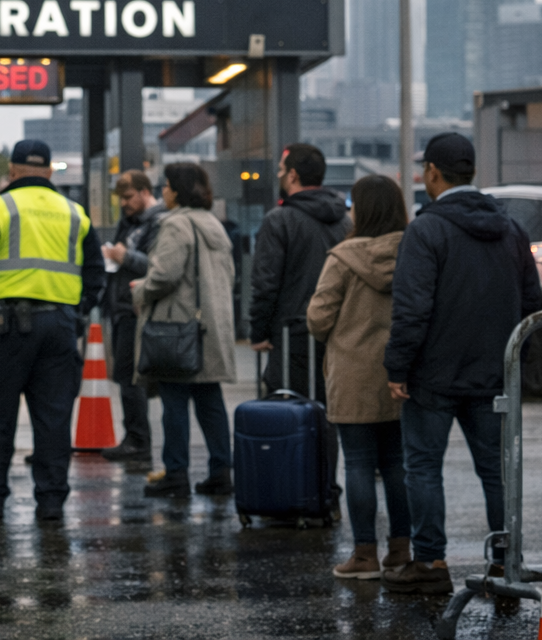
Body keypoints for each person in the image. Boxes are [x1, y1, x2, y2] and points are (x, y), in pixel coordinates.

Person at [381, 133, 542, 595]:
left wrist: (397, 367)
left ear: (432, 172)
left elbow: (411, 308)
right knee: (496, 471)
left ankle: (431, 563)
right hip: (494, 375)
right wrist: (516, 365)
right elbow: (531, 304)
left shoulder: (427, 230)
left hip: (433, 376)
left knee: (424, 469)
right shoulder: (511, 230)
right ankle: (504, 563)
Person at [0, 139, 104, 522]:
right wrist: (77, 310)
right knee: (54, 419)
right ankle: (51, 502)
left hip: (7, 328)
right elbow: (96, 273)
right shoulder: (76, 214)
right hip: (61, 327)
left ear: (13, 170)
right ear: (50, 172)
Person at [307, 174, 412, 580]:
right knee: (398, 465)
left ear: (361, 209)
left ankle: (365, 555)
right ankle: (401, 550)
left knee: (358, 465)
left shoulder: (343, 258)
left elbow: (318, 318)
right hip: (401, 374)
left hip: (352, 374)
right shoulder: (414, 251)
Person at [133, 163, 237, 498]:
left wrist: (140, 290)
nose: (163, 191)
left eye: (166, 186)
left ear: (177, 190)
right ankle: (221, 471)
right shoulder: (213, 225)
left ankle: (176, 473)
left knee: (174, 401)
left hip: (178, 327)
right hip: (210, 326)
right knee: (210, 400)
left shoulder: (176, 224)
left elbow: (164, 275)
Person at [249, 143, 350, 397]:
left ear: (293, 175)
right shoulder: (345, 221)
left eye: (282, 170)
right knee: (328, 409)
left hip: (290, 334)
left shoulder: (279, 220)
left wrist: (259, 331)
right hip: (336, 332)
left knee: (290, 412)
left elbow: (265, 281)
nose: (280, 176)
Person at [98, 169, 166, 467]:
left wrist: (125, 258)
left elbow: (158, 267)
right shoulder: (129, 223)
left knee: (133, 378)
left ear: (143, 191)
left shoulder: (158, 222)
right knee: (126, 376)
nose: (124, 203)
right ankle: (134, 437)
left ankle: (138, 440)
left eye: (128, 197)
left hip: (137, 308)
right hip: (123, 306)